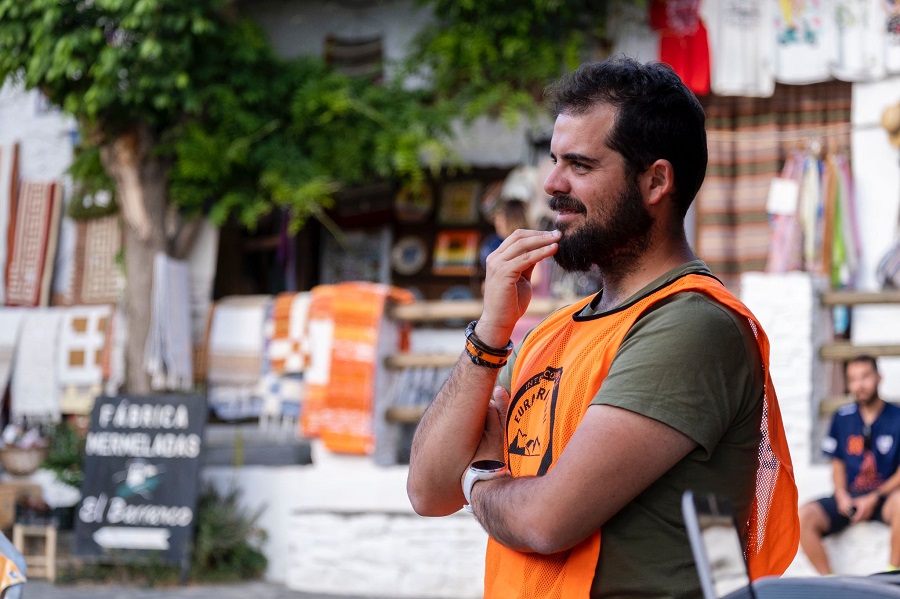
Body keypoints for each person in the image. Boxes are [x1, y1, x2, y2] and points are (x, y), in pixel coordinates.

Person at [406, 56, 799, 598]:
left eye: (581, 166)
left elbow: (545, 521)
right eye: (553, 161)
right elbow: (428, 492)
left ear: (656, 180)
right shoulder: (553, 330)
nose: (551, 184)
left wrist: (481, 476)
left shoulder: (692, 323)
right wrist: (490, 333)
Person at [799, 355, 900, 575]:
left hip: (884, 498)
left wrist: (874, 497)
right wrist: (841, 495)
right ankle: (831, 582)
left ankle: (893, 576)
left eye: (865, 377)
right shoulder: (842, 417)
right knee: (803, 517)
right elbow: (837, 465)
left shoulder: (897, 417)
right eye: (852, 379)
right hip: (850, 497)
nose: (859, 385)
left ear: (879, 377)